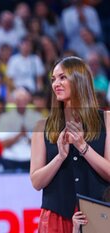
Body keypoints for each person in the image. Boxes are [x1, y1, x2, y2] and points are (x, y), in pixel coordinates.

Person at [30, 56, 110, 232]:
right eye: (53, 79)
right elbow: (36, 181)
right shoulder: (42, 127)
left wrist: (83, 146)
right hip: (55, 217)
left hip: (97, 214)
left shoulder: (106, 120)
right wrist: (60, 157)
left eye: (62, 77)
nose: (56, 84)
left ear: (79, 80)